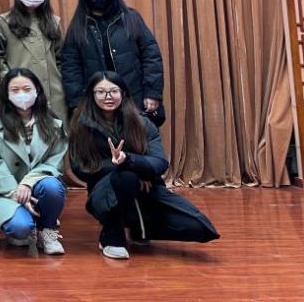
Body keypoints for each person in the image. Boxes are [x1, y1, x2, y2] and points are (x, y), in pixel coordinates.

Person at [69, 72, 219, 259]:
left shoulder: (141, 122)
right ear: (92, 95)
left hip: (146, 189)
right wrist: (124, 168)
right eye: (101, 92)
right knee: (126, 177)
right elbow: (80, 167)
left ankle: (138, 227)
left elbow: (160, 161)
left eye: (114, 91)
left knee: (198, 227)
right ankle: (112, 235)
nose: (108, 96)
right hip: (104, 192)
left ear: (123, 93)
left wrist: (130, 161)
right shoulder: (81, 124)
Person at [0, 68, 67, 254]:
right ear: (6, 94)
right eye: (15, 90)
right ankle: (27, 225)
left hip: (37, 185)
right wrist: (16, 192)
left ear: (37, 90)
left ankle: (47, 230)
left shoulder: (53, 123)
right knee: (20, 229)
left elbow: (54, 162)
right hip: (4, 192)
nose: (22, 95)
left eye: (27, 89)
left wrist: (28, 183)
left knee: (52, 187)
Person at [60, 0, 164, 123]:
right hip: (96, 101)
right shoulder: (78, 26)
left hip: (134, 96)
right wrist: (76, 102)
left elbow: (151, 56)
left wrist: (152, 93)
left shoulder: (131, 18)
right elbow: (70, 67)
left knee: (138, 135)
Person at [0, 0, 66, 121]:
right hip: (20, 91)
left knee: (55, 130)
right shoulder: (5, 22)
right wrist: (8, 79)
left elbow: (62, 58)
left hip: (53, 93)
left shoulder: (53, 22)